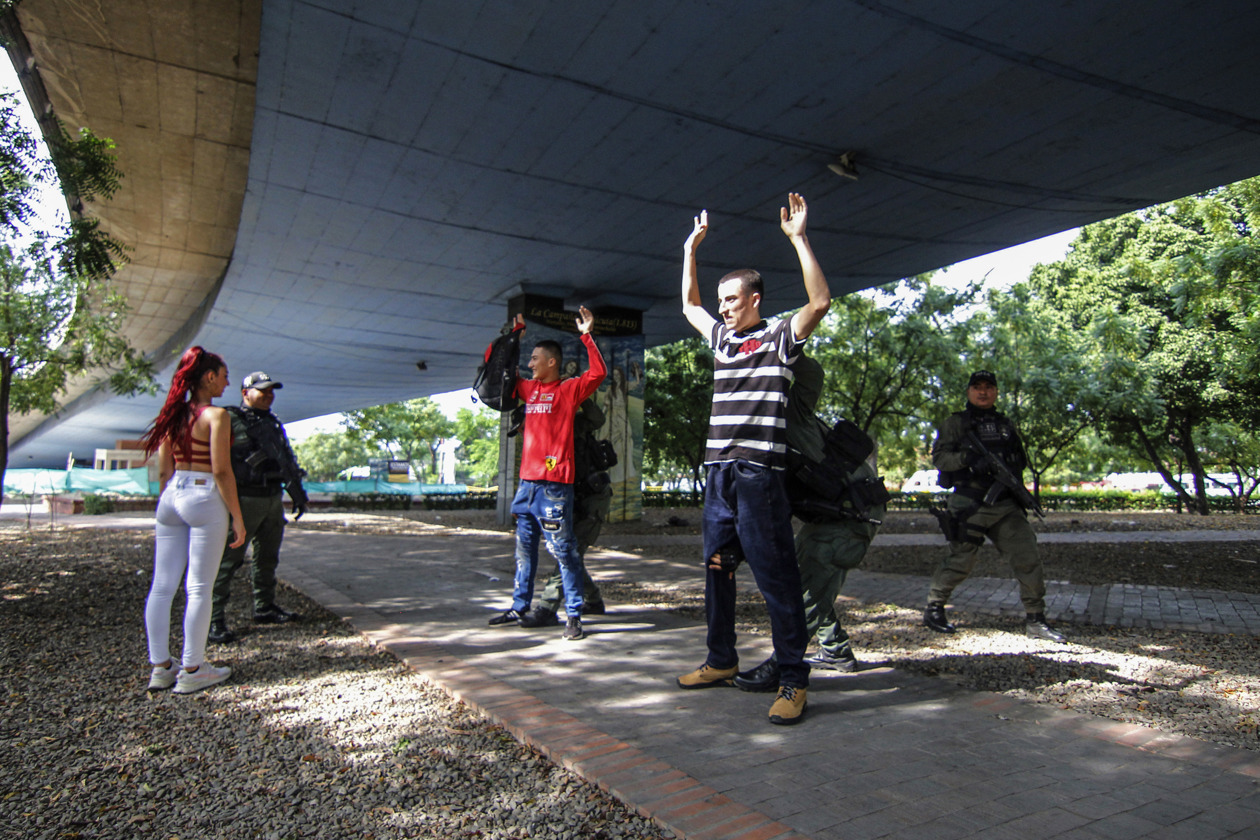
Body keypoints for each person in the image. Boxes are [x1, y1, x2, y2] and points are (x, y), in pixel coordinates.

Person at [675, 193, 831, 726]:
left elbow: (820, 303)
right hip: (718, 473)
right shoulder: (720, 339)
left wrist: (799, 239)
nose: (724, 307)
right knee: (717, 568)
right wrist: (691, 250)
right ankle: (721, 660)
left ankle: (793, 677)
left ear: (756, 299)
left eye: (733, 299)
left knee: (775, 576)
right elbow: (689, 306)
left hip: (760, 475)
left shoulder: (781, 337)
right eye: (723, 300)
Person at [733, 356, 885, 691]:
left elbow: (812, 373)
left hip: (852, 513)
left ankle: (783, 662)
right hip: (832, 513)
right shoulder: (754, 435)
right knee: (804, 578)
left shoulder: (788, 412)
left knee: (807, 584)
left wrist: (778, 349)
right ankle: (836, 650)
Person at [487, 307, 607, 640]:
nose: (531, 364)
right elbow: (502, 375)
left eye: (536, 358)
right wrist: (514, 338)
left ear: (552, 362)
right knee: (524, 551)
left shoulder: (568, 391)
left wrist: (587, 335)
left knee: (564, 552)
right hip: (527, 487)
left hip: (555, 487)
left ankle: (573, 615)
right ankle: (519, 606)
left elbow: (598, 373)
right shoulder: (529, 390)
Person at [923, 370, 1065, 642]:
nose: (983, 392)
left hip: (1005, 505)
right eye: (977, 387)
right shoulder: (956, 423)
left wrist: (1013, 486)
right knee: (961, 560)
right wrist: (968, 459)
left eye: (989, 387)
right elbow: (940, 459)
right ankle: (934, 609)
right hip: (969, 503)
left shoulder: (1005, 424)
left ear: (996, 392)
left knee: (1028, 558)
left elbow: (1018, 460)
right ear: (969, 391)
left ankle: (1036, 619)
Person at [140, 346, 246, 694]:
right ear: (209, 376)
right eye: (224, 375)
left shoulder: (174, 414)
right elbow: (221, 470)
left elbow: (164, 468)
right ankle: (193, 667)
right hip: (203, 495)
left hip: (172, 495)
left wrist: (166, 500)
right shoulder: (217, 416)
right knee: (199, 586)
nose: (227, 382)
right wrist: (237, 517)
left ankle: (160, 667)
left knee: (162, 585)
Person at [207, 371, 309, 644]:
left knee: (267, 558)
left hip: (272, 498)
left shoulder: (273, 424)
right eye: (262, 391)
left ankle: (264, 606)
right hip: (243, 499)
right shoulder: (229, 419)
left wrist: (297, 494)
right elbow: (216, 460)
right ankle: (212, 619)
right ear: (245, 393)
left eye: (271, 391)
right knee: (229, 561)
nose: (268, 396)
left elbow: (286, 460)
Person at [518, 396, 612, 628]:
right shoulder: (537, 444)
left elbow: (597, 419)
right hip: (571, 501)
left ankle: (547, 608)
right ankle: (594, 600)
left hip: (592, 500)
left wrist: (580, 397)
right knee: (571, 555)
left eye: (522, 427)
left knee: (569, 554)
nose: (522, 433)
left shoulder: (570, 424)